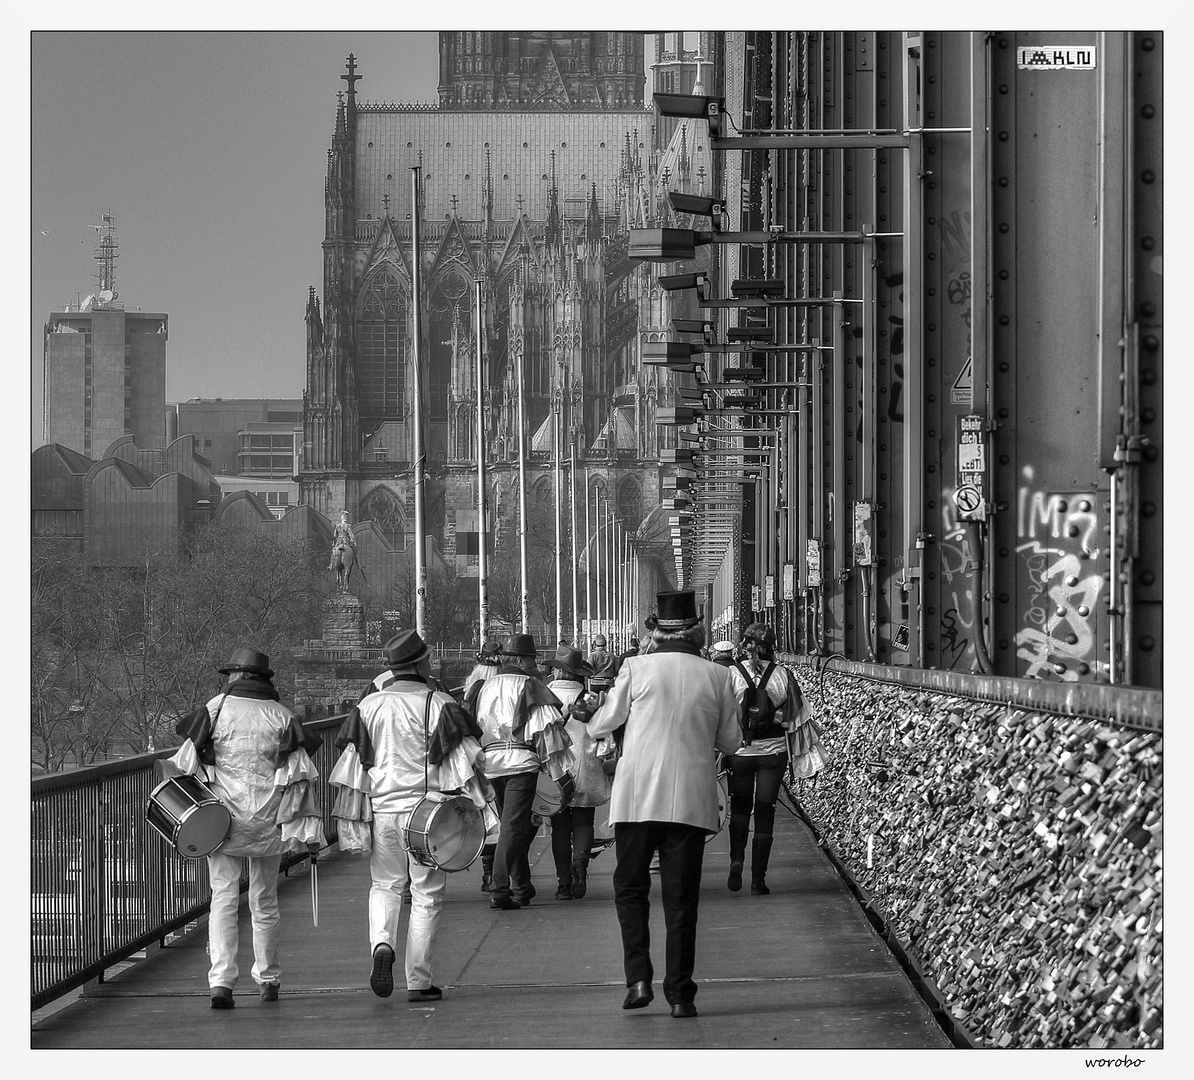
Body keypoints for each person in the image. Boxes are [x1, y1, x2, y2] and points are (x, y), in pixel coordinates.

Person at [588, 590, 740, 1018]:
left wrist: (592, 713)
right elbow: (731, 742)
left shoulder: (636, 668)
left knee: (630, 889)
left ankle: (638, 979)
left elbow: (604, 722)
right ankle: (681, 994)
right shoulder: (717, 675)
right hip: (691, 803)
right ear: (698, 632)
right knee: (681, 900)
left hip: (636, 801)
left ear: (655, 632)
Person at [331, 630, 494, 1002]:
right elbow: (472, 756)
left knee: (384, 884)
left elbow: (355, 759)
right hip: (427, 815)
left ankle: (381, 944)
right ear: (423, 663)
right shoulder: (437, 703)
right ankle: (419, 980)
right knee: (426, 894)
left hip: (382, 811)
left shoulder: (369, 706)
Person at [173, 648, 325, 1009]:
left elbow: (183, 764)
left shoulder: (216, 709)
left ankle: (221, 981)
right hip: (270, 823)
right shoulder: (281, 716)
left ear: (236, 677)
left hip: (221, 823)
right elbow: (300, 781)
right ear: (264, 679)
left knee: (223, 898)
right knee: (265, 900)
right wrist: (310, 833)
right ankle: (268, 978)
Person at [473, 633, 576, 910]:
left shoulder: (485, 686)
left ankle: (521, 886)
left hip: (491, 763)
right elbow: (545, 731)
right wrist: (554, 769)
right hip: (521, 761)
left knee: (510, 826)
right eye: (531, 660)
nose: (535, 665)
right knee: (513, 827)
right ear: (520, 660)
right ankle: (499, 887)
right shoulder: (530, 685)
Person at [723, 622, 816, 895]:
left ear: (744, 645)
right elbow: (798, 716)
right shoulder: (783, 675)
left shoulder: (731, 673)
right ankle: (758, 880)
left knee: (740, 808)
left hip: (740, 752)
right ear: (772, 647)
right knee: (765, 812)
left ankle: (736, 860)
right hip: (773, 753)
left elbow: (722, 713)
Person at [544, 644, 611, 900]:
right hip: (586, 762)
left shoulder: (545, 694)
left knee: (559, 827)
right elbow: (602, 731)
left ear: (557, 672)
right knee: (583, 821)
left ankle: (563, 883)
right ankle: (581, 862)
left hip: (556, 765)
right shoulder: (590, 696)